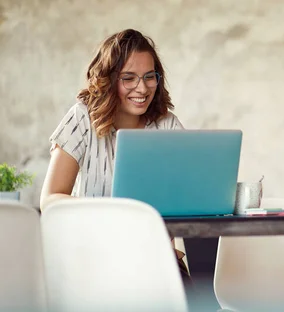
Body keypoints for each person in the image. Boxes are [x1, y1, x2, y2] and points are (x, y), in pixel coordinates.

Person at [39, 29, 191, 285]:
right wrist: (114, 211)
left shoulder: (167, 125)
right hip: (93, 258)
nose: (142, 88)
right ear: (109, 80)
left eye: (149, 77)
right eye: (129, 78)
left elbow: (190, 195)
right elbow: (50, 199)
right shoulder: (81, 119)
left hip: (153, 261)